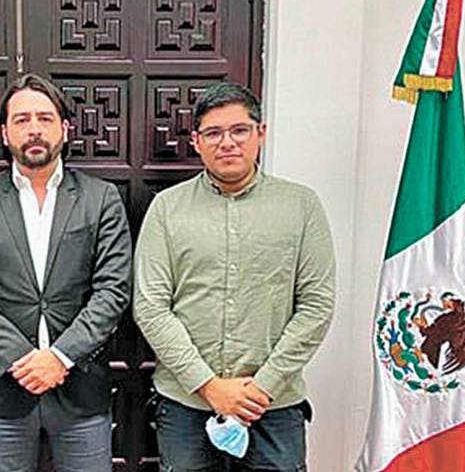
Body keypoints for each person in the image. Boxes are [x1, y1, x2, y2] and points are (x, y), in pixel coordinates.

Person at [133, 82, 335, 471]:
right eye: (213, 133)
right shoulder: (167, 209)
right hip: (187, 402)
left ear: (261, 133)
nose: (227, 143)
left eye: (239, 130)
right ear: (196, 142)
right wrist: (209, 385)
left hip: (273, 404)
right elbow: (151, 306)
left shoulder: (301, 206)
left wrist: (261, 387)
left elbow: (317, 305)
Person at [0, 74, 132, 472]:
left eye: (45, 119)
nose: (34, 129)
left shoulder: (101, 198)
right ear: (4, 133)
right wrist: (21, 358)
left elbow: (113, 291)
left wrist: (60, 358)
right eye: (22, 119)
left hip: (81, 391)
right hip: (5, 392)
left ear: (65, 129)